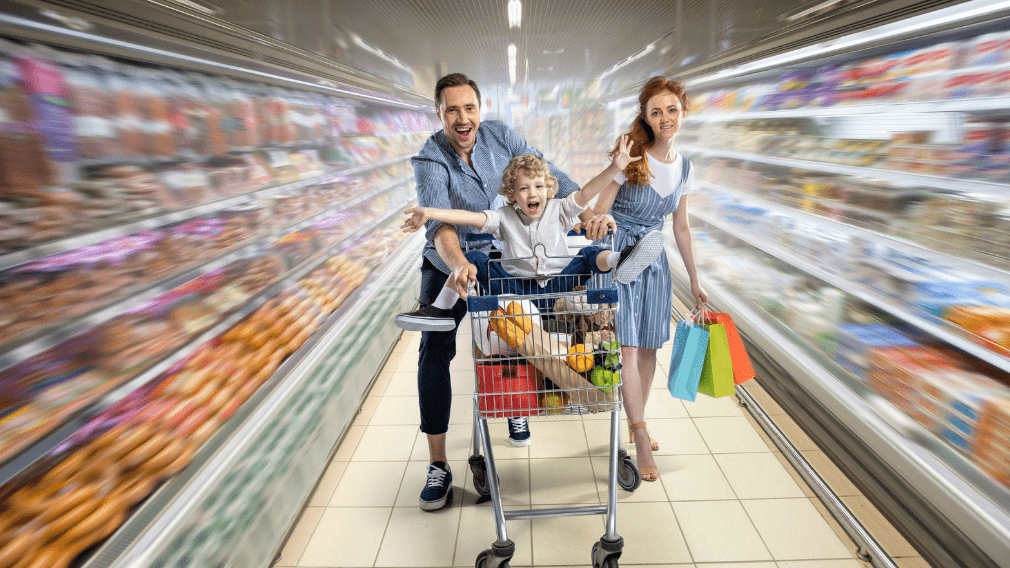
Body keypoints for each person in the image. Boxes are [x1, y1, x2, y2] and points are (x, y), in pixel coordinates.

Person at [405, 73, 614, 512]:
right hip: (452, 261)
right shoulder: (429, 159)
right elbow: (440, 225)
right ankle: (438, 464)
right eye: (452, 111)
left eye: (469, 108)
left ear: (480, 109)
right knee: (435, 347)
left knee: (520, 324)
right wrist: (459, 263)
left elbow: (549, 175)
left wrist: (585, 213)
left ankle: (513, 401)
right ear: (438, 113)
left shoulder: (500, 135)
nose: (463, 120)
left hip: (506, 257)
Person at [580, 76, 709, 483]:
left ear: (683, 113)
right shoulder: (632, 157)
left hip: (655, 258)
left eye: (672, 110)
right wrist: (600, 221)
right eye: (657, 112)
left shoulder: (685, 168)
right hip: (624, 251)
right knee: (631, 348)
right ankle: (638, 435)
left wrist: (696, 281)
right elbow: (603, 207)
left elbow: (682, 228)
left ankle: (638, 420)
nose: (665, 117)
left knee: (651, 346)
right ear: (646, 117)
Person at [394, 151, 662, 331]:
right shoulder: (503, 217)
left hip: (559, 285)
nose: (532, 193)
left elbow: (587, 191)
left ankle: (620, 260)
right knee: (474, 258)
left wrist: (615, 167)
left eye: (538, 186)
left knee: (589, 255)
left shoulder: (560, 209)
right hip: (516, 291)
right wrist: (429, 212)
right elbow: (468, 217)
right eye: (524, 188)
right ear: (512, 193)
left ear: (548, 189)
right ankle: (441, 310)